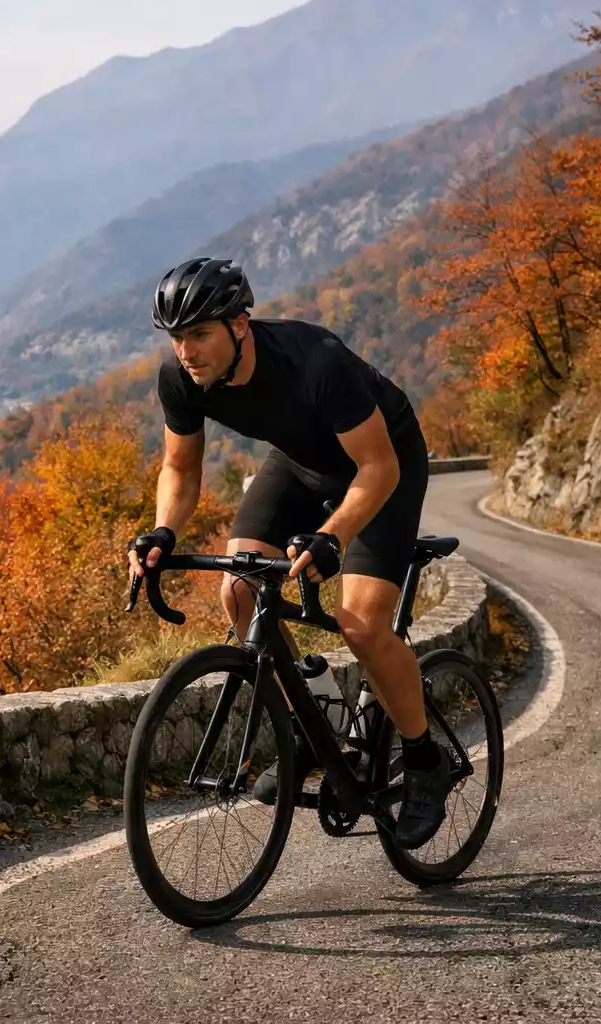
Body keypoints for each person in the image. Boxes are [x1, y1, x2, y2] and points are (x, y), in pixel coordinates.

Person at [124, 256, 449, 850]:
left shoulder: (315, 361)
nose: (187, 352)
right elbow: (180, 468)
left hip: (383, 466)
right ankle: (318, 719)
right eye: (176, 338)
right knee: (239, 590)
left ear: (239, 325)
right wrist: (163, 531)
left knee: (361, 625)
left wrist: (334, 536)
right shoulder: (181, 377)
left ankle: (425, 757)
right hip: (299, 465)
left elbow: (378, 467)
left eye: (199, 334)